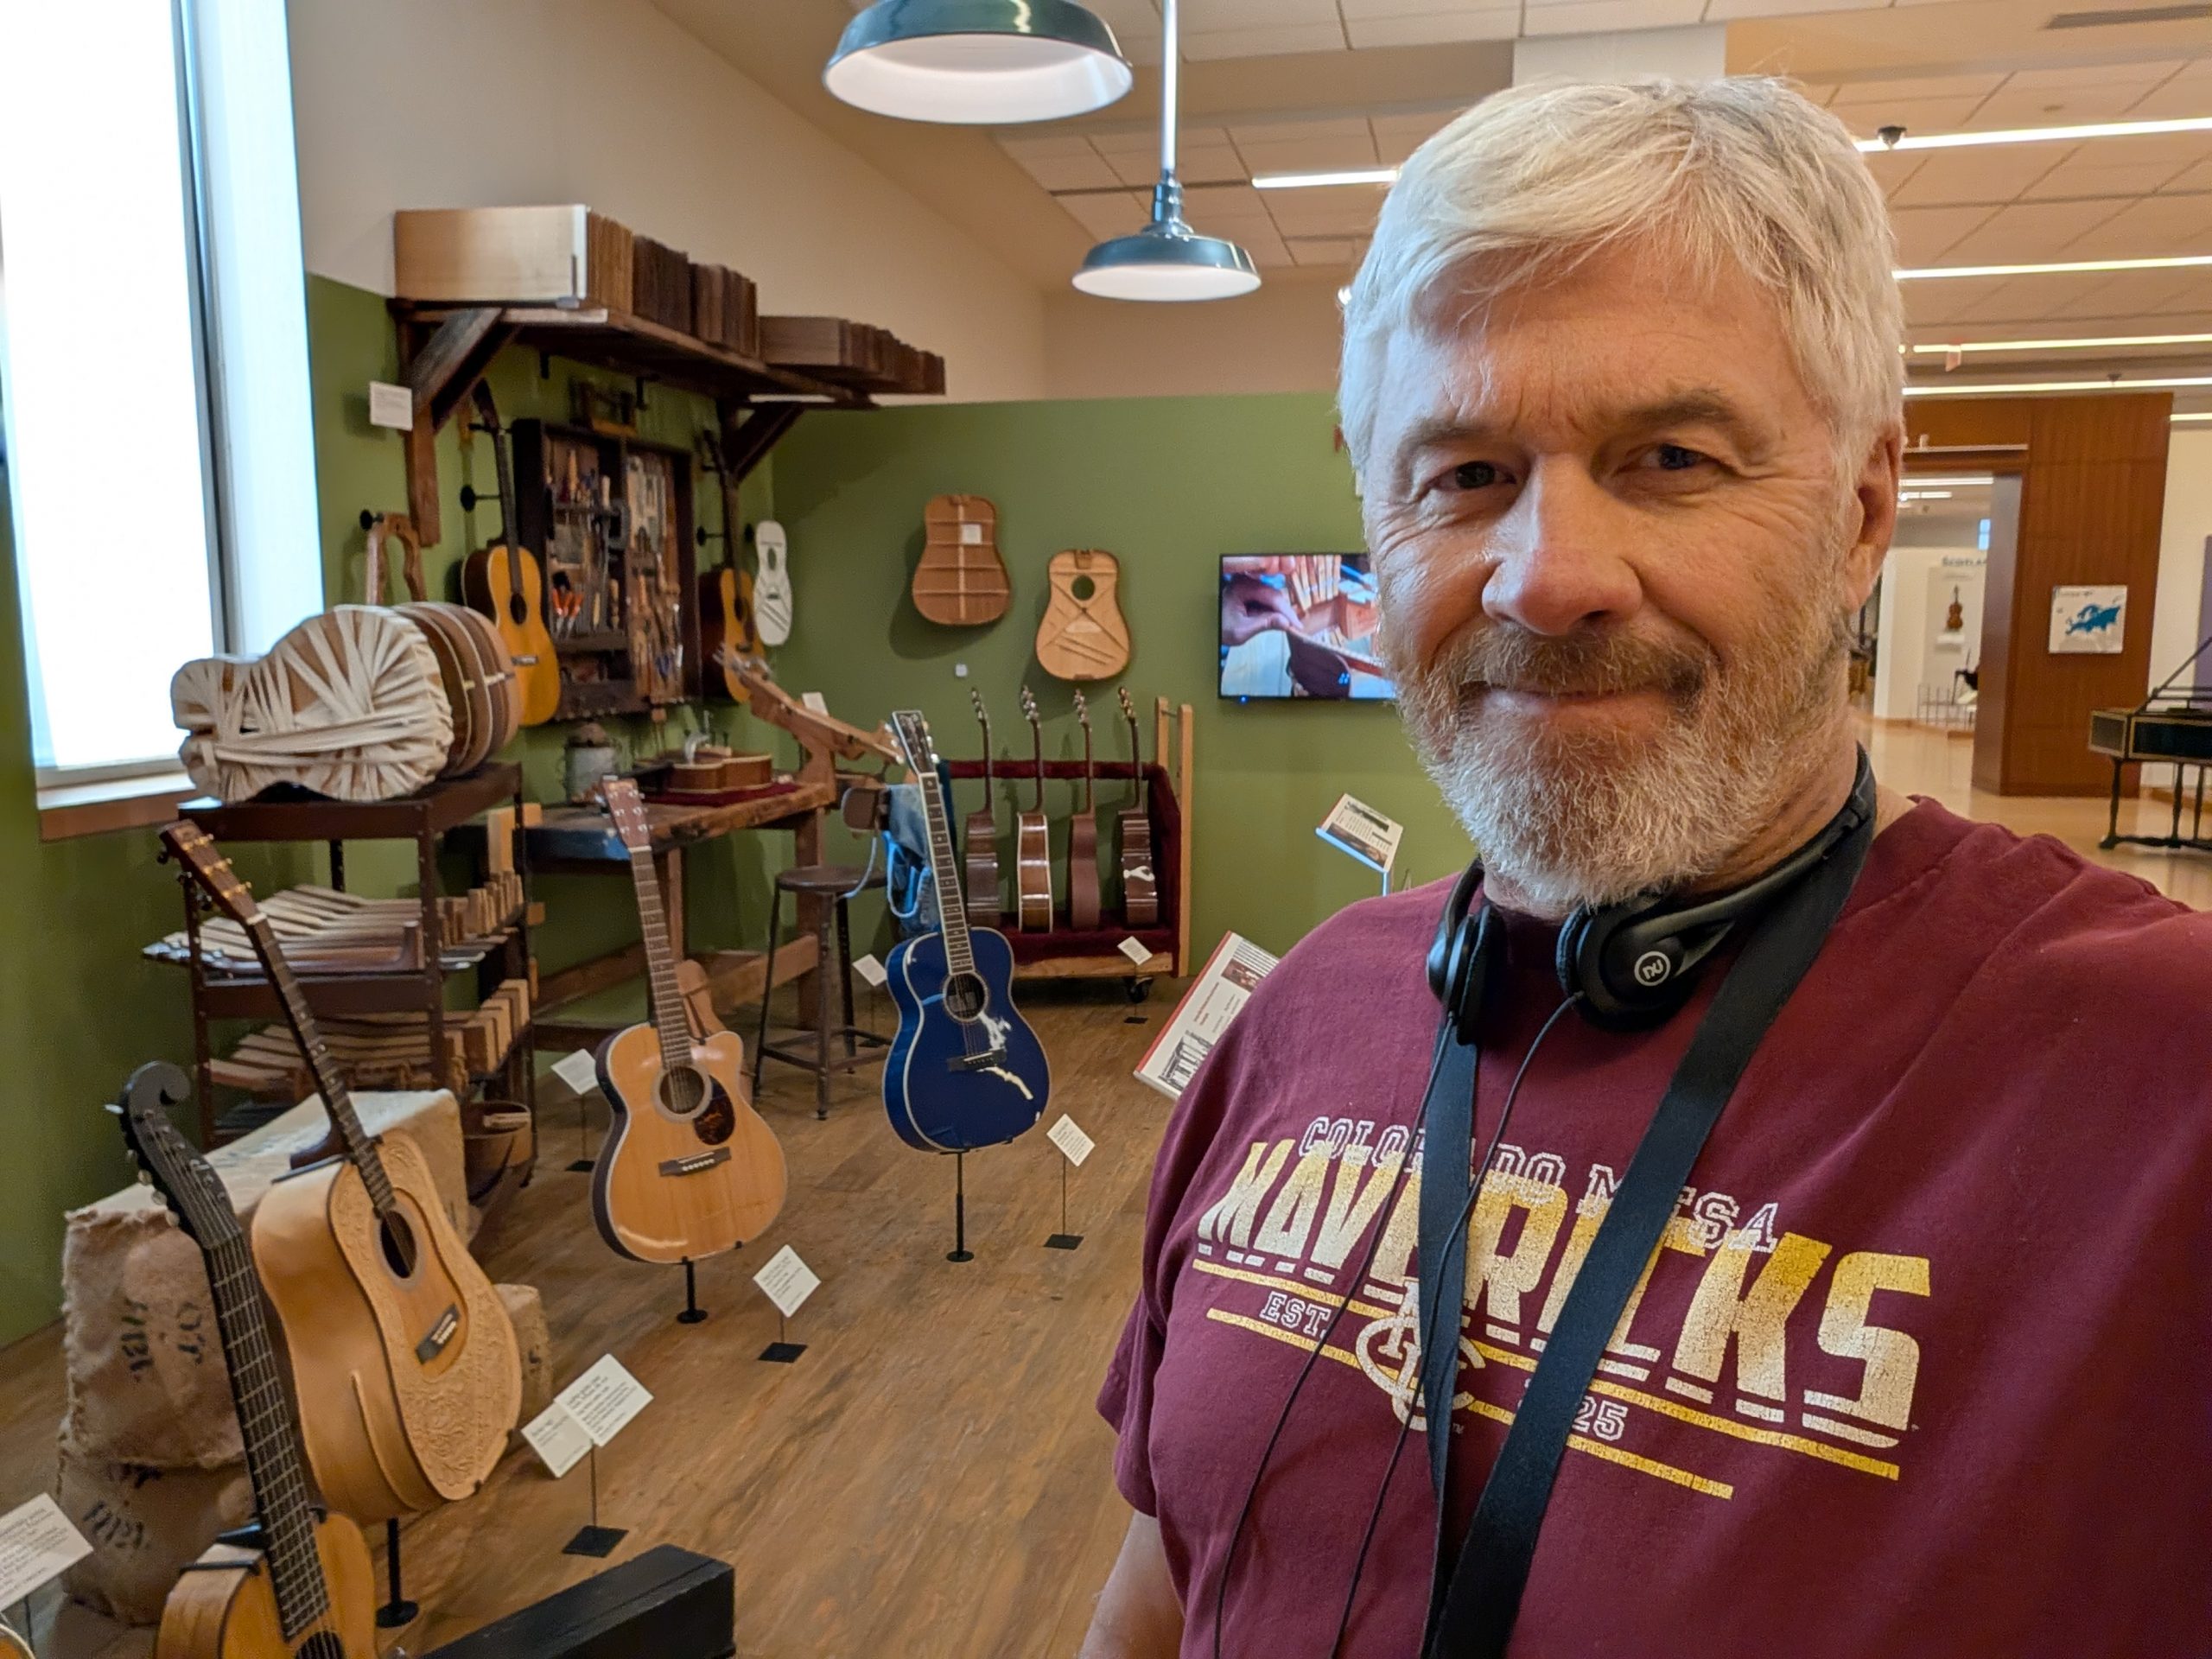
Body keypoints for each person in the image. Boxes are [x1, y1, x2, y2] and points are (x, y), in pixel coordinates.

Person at [1081, 76, 2212, 1659]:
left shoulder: (2163, 1086)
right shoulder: (1304, 1015)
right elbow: (1158, 1585)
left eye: (1672, 456)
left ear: (1867, 504)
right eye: (1463, 475)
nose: (1548, 579)